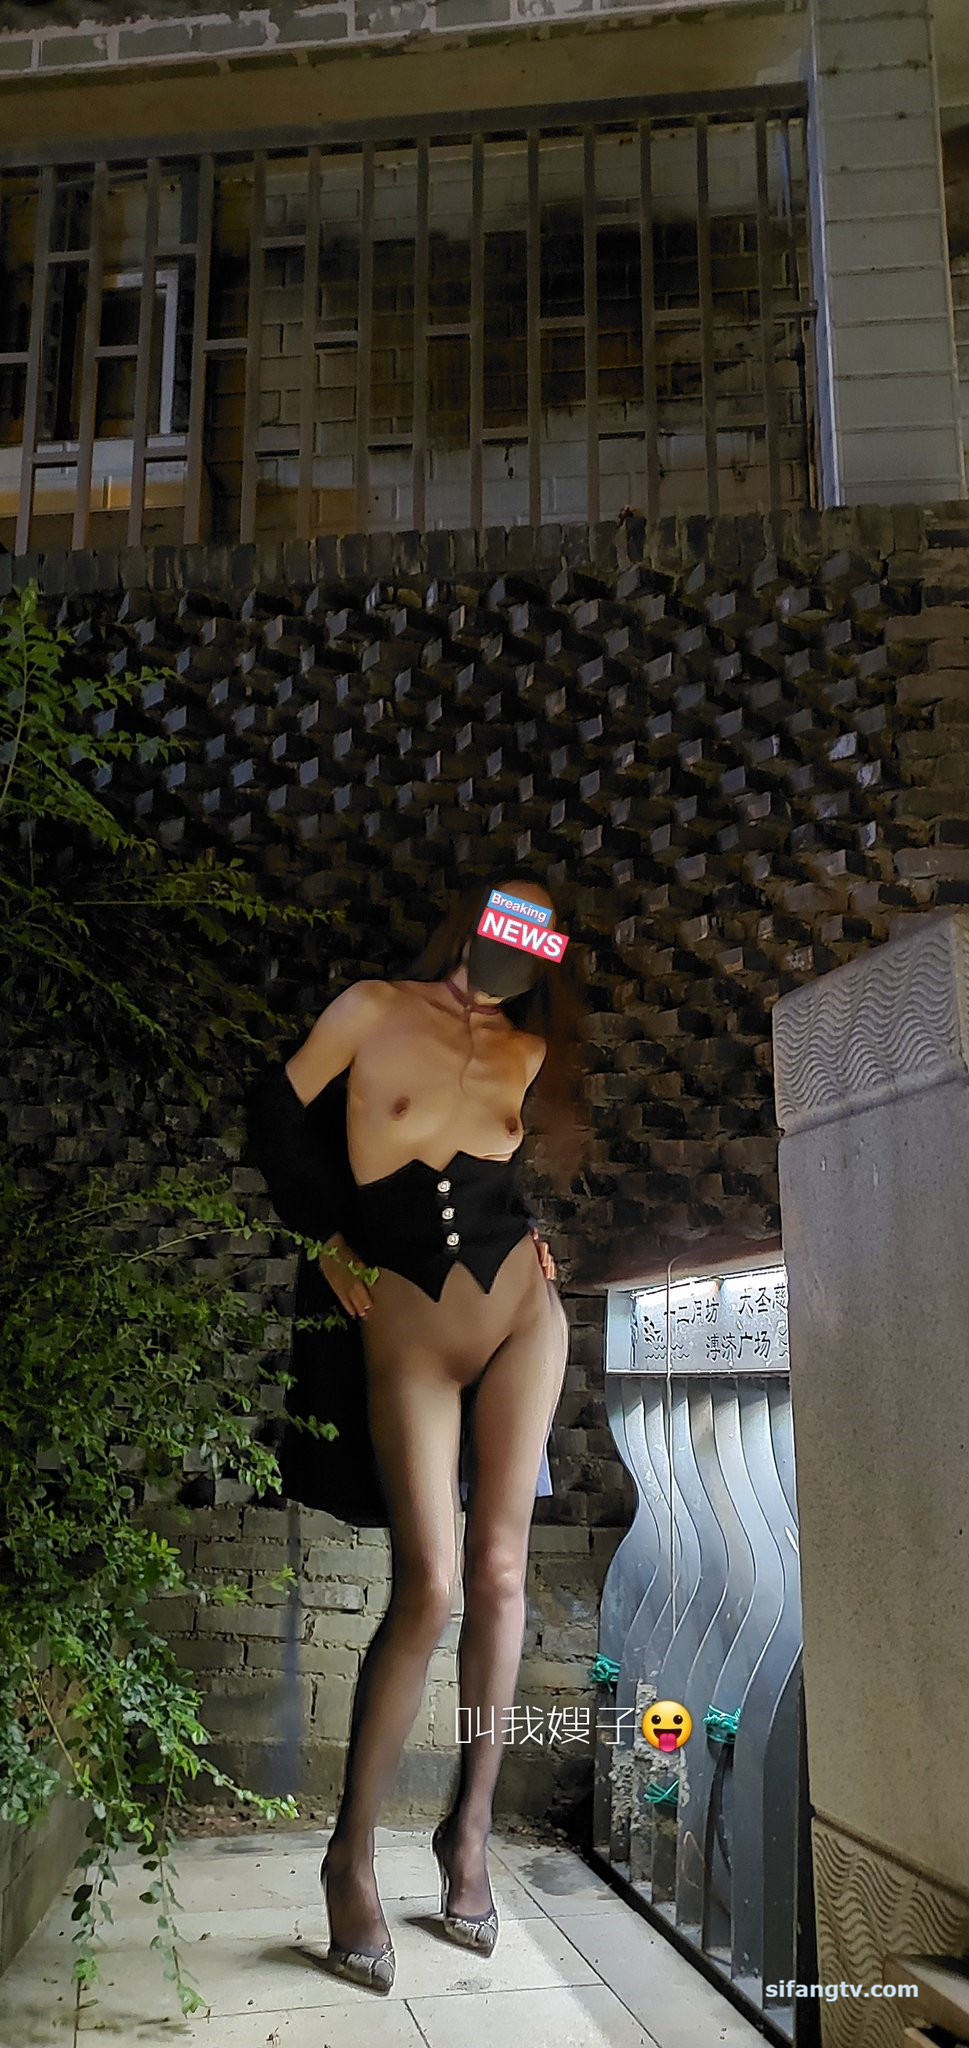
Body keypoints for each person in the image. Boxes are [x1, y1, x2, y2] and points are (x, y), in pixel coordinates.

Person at [247, 872, 589, 1992]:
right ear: (472, 922)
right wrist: (323, 1238)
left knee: (501, 1573)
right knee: (429, 1584)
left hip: (520, 1311)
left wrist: (539, 1237)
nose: (518, 945)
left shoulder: (532, 1049)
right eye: (507, 920)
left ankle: (468, 1834)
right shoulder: (370, 1007)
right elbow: (274, 1114)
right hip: (402, 1313)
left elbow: (507, 1176)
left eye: (540, 935)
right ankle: (349, 1853)